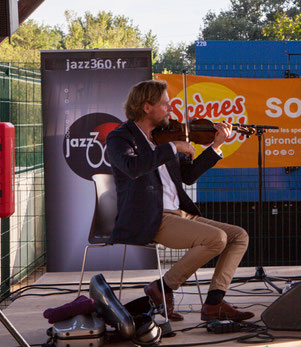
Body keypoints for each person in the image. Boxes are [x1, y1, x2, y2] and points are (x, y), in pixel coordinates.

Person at [106, 80, 253, 322]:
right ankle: (163, 288)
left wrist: (216, 147)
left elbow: (188, 176)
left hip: (178, 213)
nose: (171, 109)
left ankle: (214, 303)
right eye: (165, 104)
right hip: (151, 216)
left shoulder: (163, 137)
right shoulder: (120, 137)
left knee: (239, 236)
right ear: (146, 107)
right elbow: (133, 168)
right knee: (216, 239)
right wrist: (174, 146)